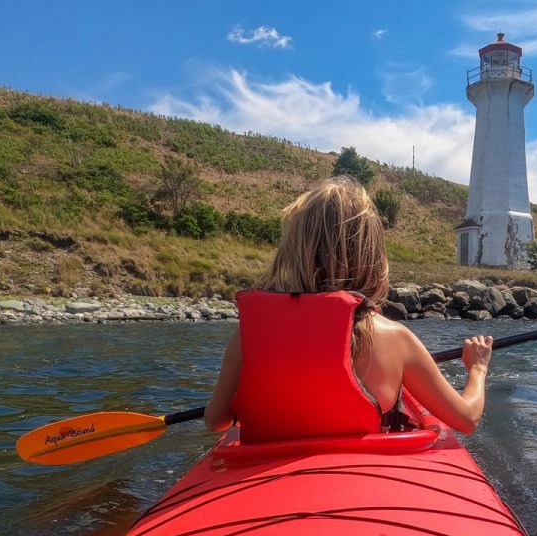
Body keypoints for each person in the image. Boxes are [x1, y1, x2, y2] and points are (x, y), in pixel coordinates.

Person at [205, 176, 493, 443]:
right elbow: (467, 419)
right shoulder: (394, 340)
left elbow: (216, 421)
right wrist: (477, 369)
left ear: (292, 252)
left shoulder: (249, 336)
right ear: (373, 257)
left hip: (266, 482)